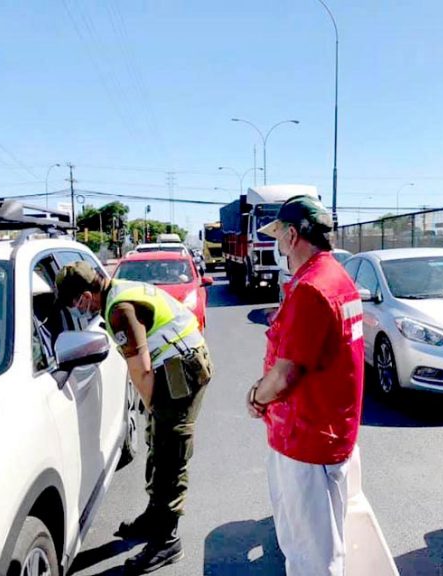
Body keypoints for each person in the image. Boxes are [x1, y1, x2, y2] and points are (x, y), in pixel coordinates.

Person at [55, 260, 213, 573]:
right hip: (179, 362)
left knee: (170, 454)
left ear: (87, 295)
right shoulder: (119, 291)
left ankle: (167, 541)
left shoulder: (118, 310)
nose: (75, 308)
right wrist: (154, 412)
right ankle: (154, 518)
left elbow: (140, 369)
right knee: (158, 441)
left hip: (181, 370)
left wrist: (152, 405)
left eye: (74, 301)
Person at [246, 195, 365, 576]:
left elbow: (285, 376)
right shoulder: (337, 278)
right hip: (327, 434)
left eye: (279, 236)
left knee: (311, 557)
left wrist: (256, 397)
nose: (277, 245)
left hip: (306, 440)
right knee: (322, 546)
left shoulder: (312, 289)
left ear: (293, 235)